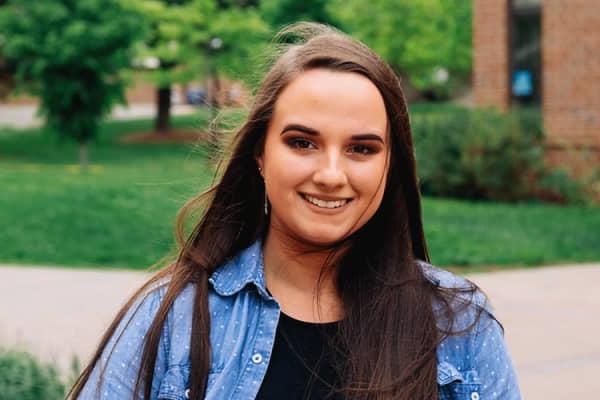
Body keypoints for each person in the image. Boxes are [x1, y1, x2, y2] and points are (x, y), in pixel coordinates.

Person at [69, 23, 521, 400]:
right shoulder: (172, 320)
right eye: (302, 143)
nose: (330, 173)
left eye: (361, 149)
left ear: (390, 167)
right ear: (260, 155)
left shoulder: (459, 325)